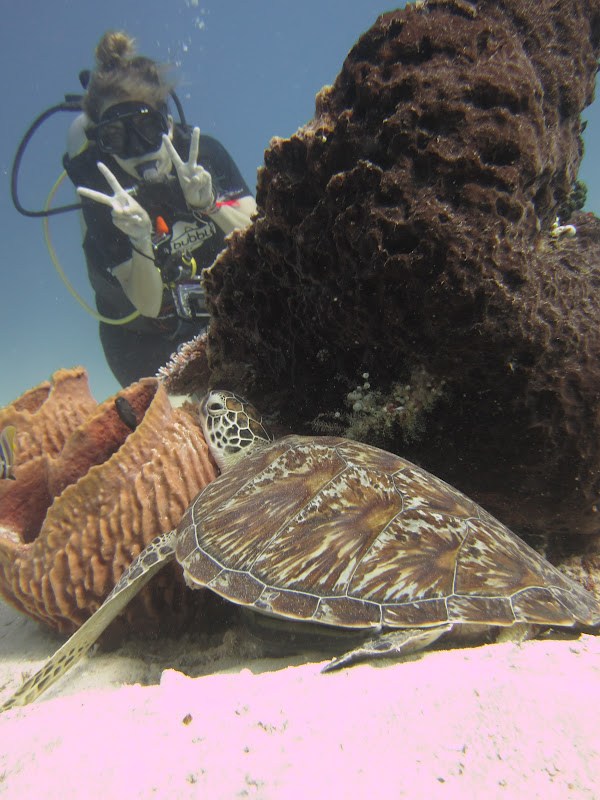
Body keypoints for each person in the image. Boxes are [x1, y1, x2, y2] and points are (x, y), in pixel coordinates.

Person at [64, 31, 256, 386]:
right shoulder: (102, 195)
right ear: (103, 144)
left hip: (223, 314)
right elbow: (148, 305)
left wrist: (212, 204)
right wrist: (139, 239)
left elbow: (262, 240)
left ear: (167, 122)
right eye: (118, 137)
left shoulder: (203, 156)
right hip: (141, 340)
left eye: (146, 128)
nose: (138, 150)